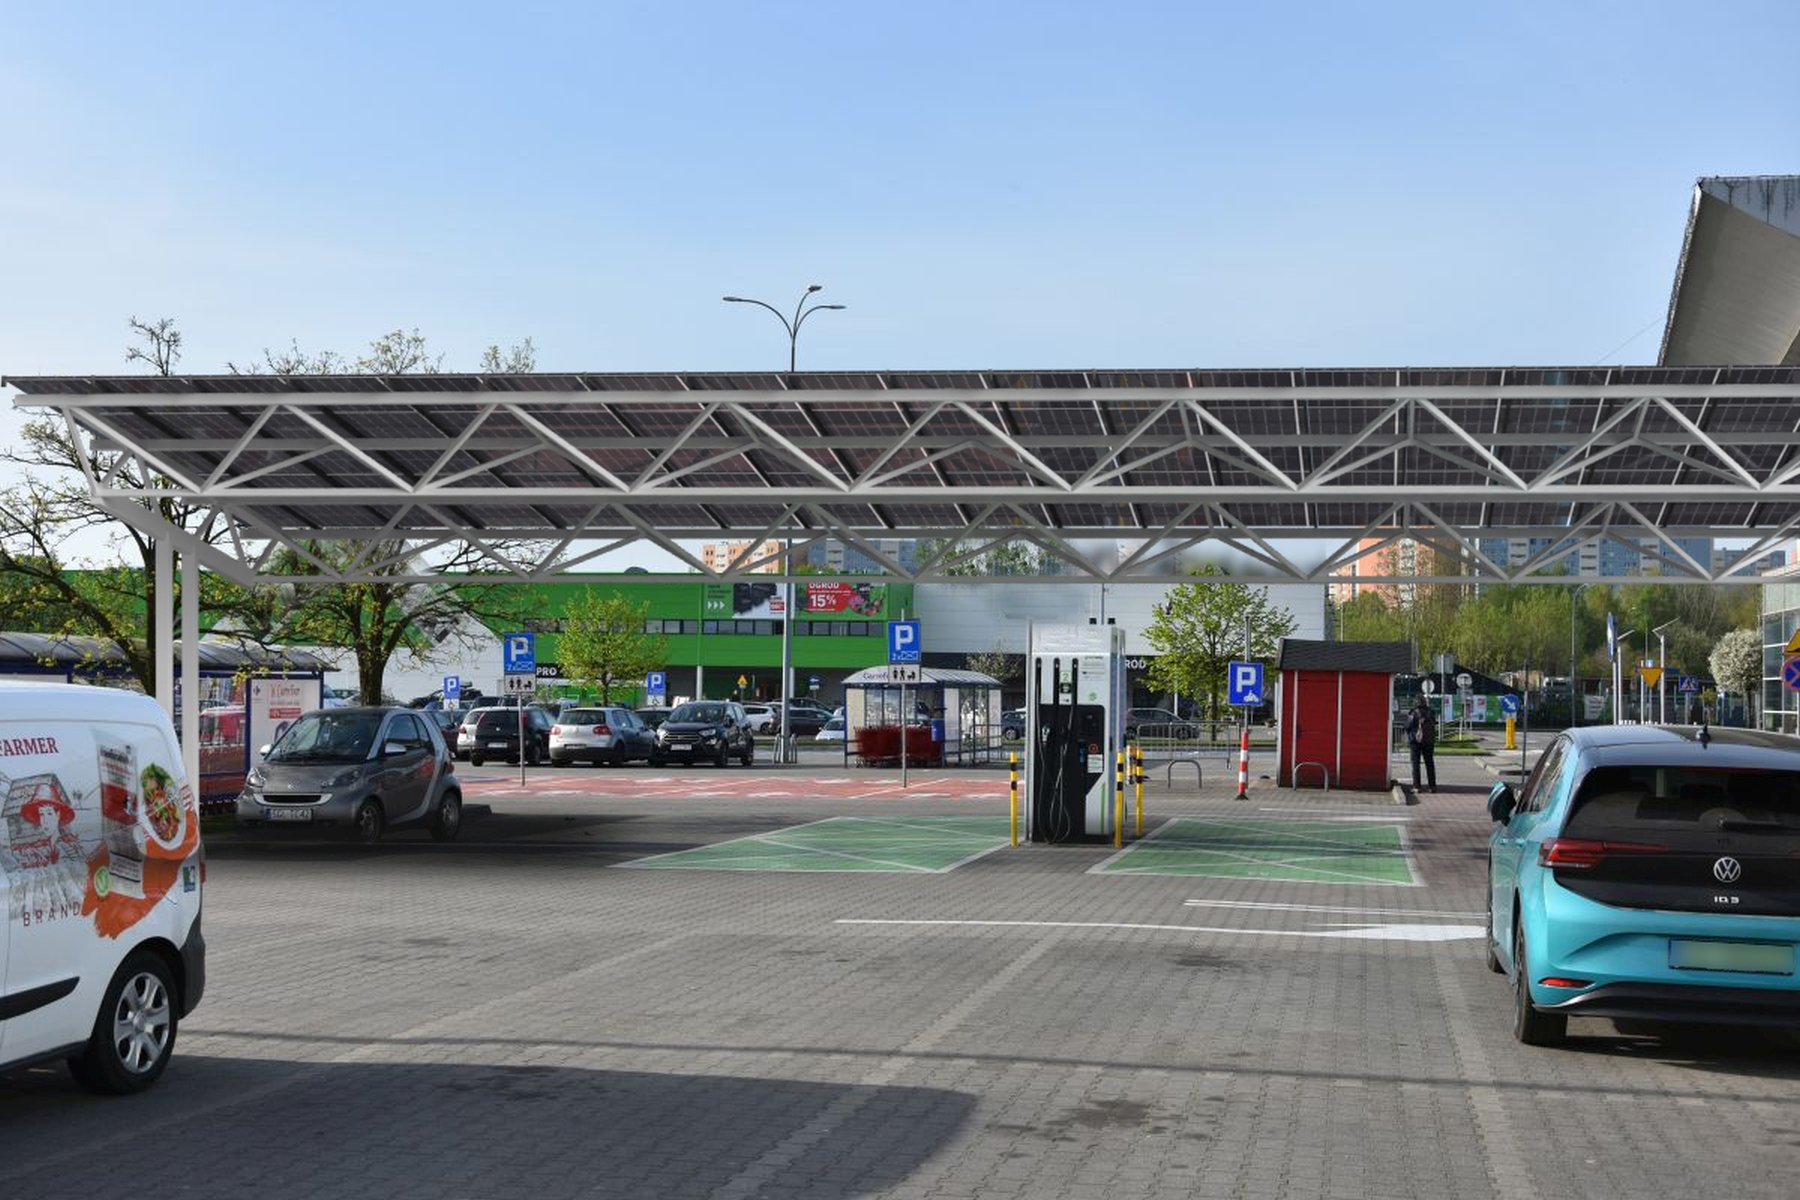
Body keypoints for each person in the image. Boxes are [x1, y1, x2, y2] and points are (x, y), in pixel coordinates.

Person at [1405, 695, 1438, 793]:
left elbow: (1407, 726)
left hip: (1416, 741)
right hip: (1429, 741)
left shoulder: (1413, 713)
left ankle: (1417, 786)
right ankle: (1432, 786)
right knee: (1429, 763)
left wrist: (1410, 734)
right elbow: (1434, 723)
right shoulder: (1431, 712)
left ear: (1415, 703)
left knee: (1416, 763)